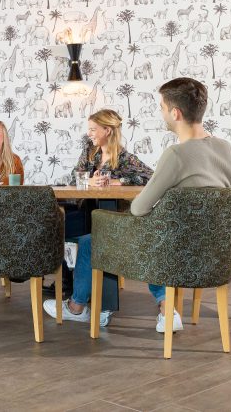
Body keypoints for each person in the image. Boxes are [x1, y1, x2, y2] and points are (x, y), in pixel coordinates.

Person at [44, 78, 231, 333]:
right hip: (214, 249)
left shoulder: (176, 155)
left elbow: (138, 209)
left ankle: (77, 307)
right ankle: (166, 309)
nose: (161, 113)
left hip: (172, 247)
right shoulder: (228, 150)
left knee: (94, 239)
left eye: (161, 107)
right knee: (153, 234)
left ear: (175, 113)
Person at [51, 109, 154, 299]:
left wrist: (119, 181)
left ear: (107, 130)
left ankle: (84, 291)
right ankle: (66, 280)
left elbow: (150, 177)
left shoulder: (124, 158)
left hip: (110, 214)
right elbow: (72, 178)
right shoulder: (90, 152)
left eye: (93, 129)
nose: (89, 134)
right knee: (52, 226)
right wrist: (89, 181)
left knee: (83, 237)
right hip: (84, 211)